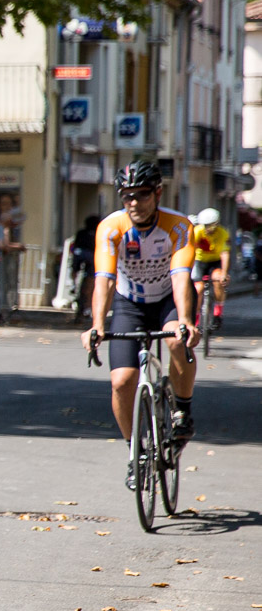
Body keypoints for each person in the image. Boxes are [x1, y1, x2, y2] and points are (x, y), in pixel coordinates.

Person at [80, 160, 199, 488]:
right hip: (128, 302)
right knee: (121, 381)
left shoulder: (178, 226)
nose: (134, 202)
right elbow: (103, 279)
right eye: (127, 196)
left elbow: (180, 276)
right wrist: (96, 325)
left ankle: (183, 412)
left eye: (142, 195)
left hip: (167, 300)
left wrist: (186, 320)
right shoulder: (111, 228)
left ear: (158, 193)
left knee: (177, 341)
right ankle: (137, 452)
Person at [189, 207, 229, 330]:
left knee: (218, 280)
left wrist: (224, 273)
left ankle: (218, 313)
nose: (206, 229)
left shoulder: (222, 233)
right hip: (200, 261)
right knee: (198, 289)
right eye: (204, 225)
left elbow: (225, 254)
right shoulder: (197, 231)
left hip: (215, 261)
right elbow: (190, 250)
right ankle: (195, 320)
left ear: (215, 224)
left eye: (209, 226)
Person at [71, 214, 99, 319]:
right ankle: (87, 303)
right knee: (91, 277)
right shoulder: (97, 233)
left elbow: (75, 246)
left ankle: (73, 282)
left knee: (75, 265)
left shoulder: (81, 233)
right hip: (92, 256)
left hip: (80, 254)